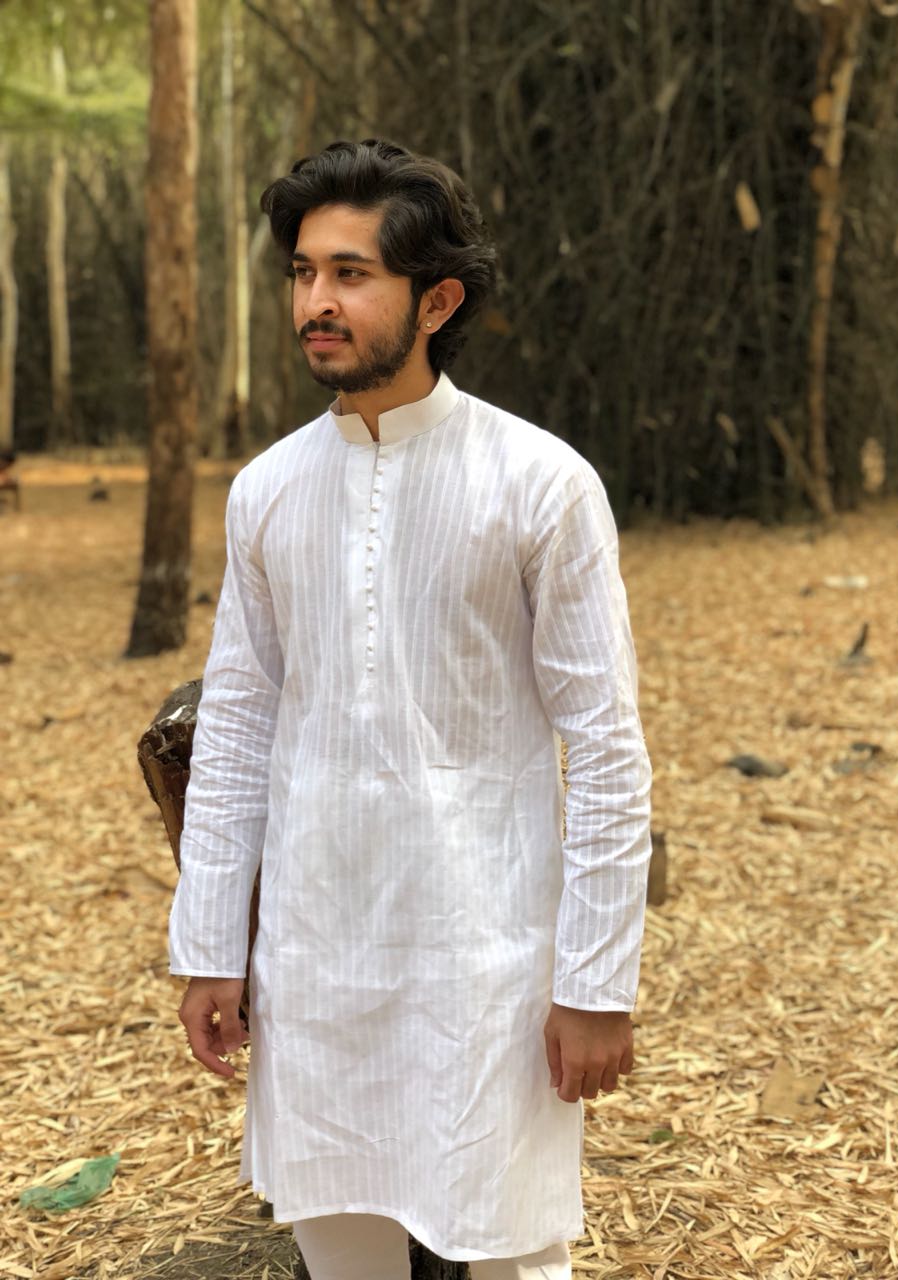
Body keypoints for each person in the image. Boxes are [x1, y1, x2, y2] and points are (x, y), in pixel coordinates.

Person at [170, 139, 652, 1280]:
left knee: (515, 1245)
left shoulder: (541, 483)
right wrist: (210, 948)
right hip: (317, 953)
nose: (316, 303)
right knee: (339, 1242)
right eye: (303, 273)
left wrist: (594, 983)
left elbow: (605, 747)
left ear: (437, 301)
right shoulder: (267, 490)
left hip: (487, 952)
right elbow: (235, 731)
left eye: (351, 274)